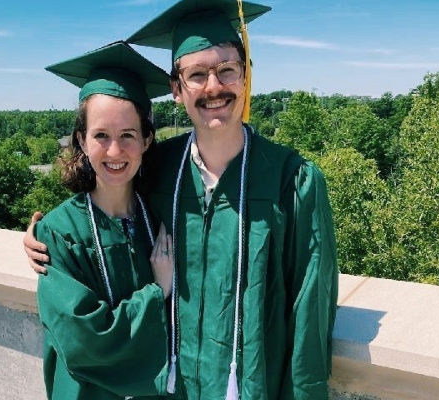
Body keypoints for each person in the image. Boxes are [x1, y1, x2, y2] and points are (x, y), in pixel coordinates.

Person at [26, 0, 339, 398]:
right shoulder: (160, 171)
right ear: (177, 89)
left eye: (227, 70)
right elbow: (102, 200)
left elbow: (310, 314)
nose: (213, 87)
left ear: (245, 77)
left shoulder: (292, 182)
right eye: (197, 75)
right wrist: (38, 236)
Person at [33, 41, 173, 400]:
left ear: (146, 140)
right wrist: (158, 292)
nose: (114, 151)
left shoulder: (161, 219)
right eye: (101, 136)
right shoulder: (59, 232)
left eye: (128, 135)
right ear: (81, 140)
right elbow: (85, 343)